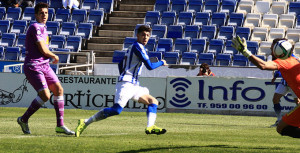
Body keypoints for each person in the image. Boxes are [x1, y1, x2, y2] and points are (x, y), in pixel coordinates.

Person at [75, 25, 168, 137]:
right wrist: (162, 62)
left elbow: (121, 64)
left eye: (148, 35)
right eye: (143, 35)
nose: (145, 37)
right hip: (127, 84)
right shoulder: (137, 47)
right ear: (137, 35)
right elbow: (150, 66)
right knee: (116, 110)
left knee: (153, 101)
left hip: (134, 85)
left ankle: (150, 127)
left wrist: (124, 73)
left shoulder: (133, 47)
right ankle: (85, 122)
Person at [17, 2, 74, 135]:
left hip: (44, 65)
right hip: (33, 66)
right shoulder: (35, 27)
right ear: (36, 15)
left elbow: (44, 49)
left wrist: (50, 58)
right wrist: (54, 56)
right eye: (41, 13)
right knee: (46, 95)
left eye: (46, 13)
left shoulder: (44, 27)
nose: (44, 15)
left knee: (59, 90)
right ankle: (23, 119)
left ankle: (60, 126)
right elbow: (43, 49)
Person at [231, 36, 300, 138]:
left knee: (281, 128)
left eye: (272, 49)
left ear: (278, 52)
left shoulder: (284, 62)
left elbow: (263, 65)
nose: (271, 51)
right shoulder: (294, 59)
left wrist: (245, 52)